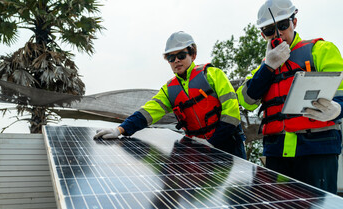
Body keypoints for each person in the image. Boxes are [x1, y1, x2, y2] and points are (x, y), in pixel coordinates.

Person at [236, 0, 343, 194]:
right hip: (277, 153)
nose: (278, 34)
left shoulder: (322, 50)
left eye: (283, 26)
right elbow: (246, 100)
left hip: (317, 149)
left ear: (294, 22)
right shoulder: (262, 67)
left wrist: (338, 110)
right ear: (262, 35)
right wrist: (268, 67)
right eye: (269, 30)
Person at [94, 31, 246, 159]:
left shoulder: (213, 74)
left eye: (181, 55)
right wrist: (120, 130)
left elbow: (232, 112)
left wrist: (213, 143)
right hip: (198, 151)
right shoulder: (169, 90)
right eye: (171, 58)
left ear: (193, 54)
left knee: (236, 193)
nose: (176, 61)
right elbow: (147, 112)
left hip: (229, 146)